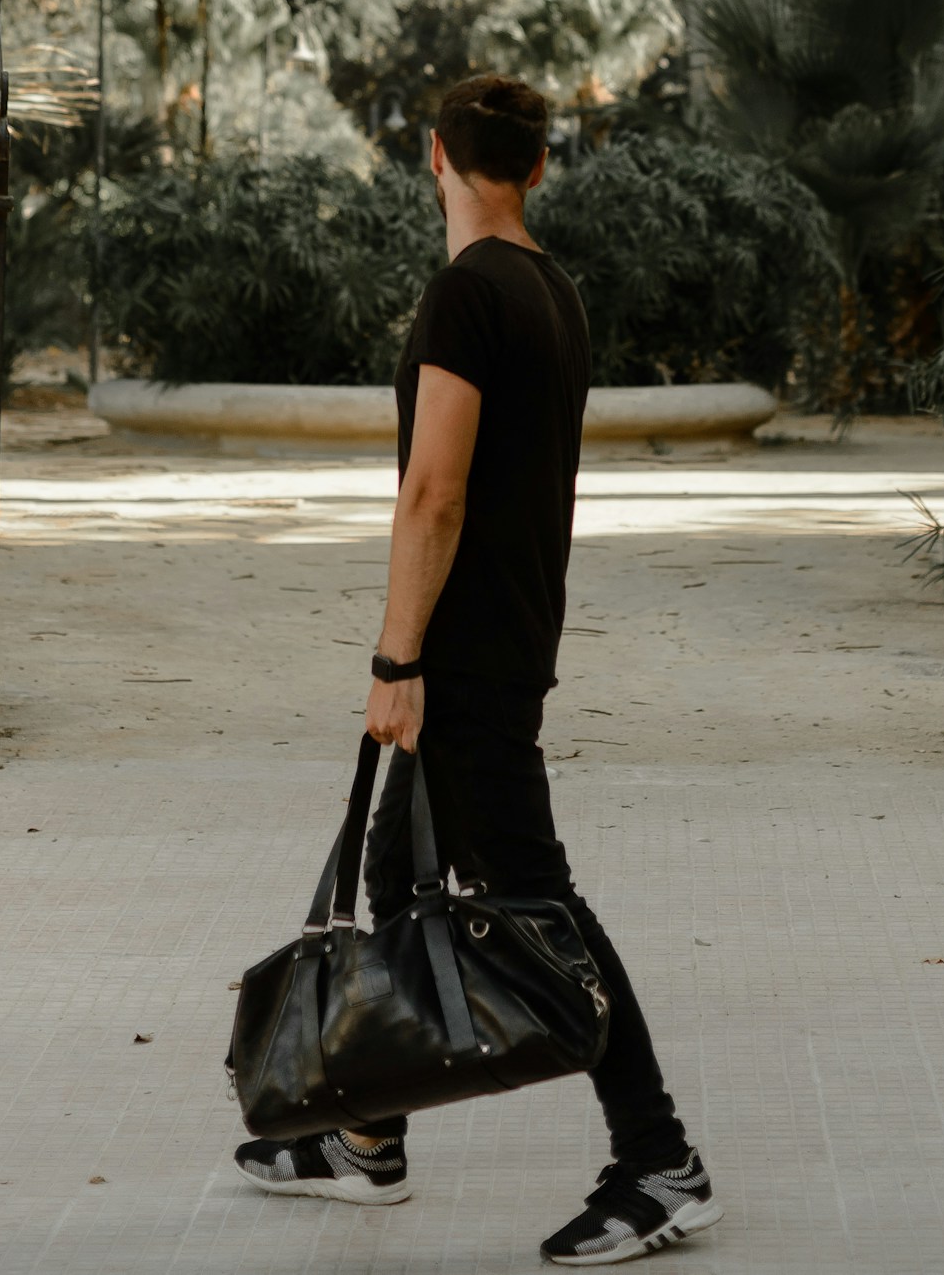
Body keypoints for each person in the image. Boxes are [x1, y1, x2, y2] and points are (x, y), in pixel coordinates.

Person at [235, 72, 720, 1263]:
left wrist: (397, 656)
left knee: (536, 900)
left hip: (465, 655)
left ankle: (660, 1160)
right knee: (402, 883)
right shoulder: (552, 289)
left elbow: (432, 492)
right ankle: (367, 1140)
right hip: (515, 630)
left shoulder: (464, 295)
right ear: (540, 167)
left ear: (433, 158)